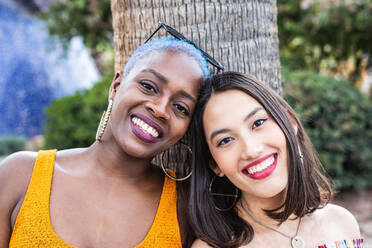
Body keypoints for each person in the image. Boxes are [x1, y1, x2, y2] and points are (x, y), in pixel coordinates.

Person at [0, 22, 223, 248]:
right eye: (148, 86)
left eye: (181, 108)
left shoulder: (185, 208)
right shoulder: (21, 175)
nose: (160, 109)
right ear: (116, 86)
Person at [188, 72, 363, 248]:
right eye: (225, 140)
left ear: (290, 122)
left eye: (258, 123)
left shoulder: (341, 224)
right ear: (215, 164)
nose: (251, 150)